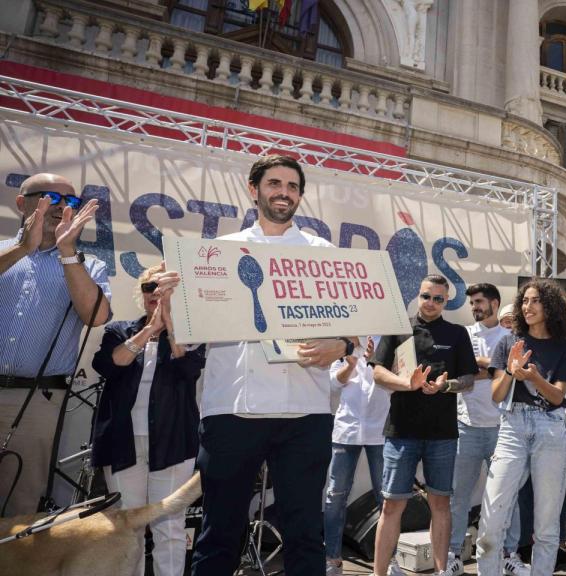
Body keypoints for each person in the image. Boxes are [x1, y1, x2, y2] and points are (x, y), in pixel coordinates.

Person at [157, 155, 350, 575]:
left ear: (300, 195)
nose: (284, 192)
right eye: (275, 183)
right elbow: (186, 340)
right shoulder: (218, 253)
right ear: (253, 189)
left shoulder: (322, 253)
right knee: (220, 531)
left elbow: (356, 324)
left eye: (293, 186)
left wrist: (343, 342)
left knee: (304, 532)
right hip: (231, 410)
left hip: (305, 410)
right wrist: (173, 305)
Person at [0, 173, 112, 516]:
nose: (63, 206)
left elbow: (96, 316)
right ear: (22, 203)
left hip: (36, 401)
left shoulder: (87, 264)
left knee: (20, 503)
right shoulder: (5, 252)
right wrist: (23, 249)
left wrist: (67, 252)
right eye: (51, 197)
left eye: (71, 201)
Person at [90, 264, 205, 576]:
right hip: (123, 442)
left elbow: (189, 370)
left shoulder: (190, 336)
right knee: (127, 525)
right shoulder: (120, 331)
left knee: (170, 525)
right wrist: (148, 332)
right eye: (149, 288)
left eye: (164, 290)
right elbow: (109, 365)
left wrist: (170, 328)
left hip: (172, 442)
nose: (156, 294)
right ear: (140, 295)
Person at [370, 274, 477, 576]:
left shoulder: (457, 334)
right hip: (401, 431)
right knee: (391, 506)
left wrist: (446, 386)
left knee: (440, 504)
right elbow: (377, 373)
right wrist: (406, 383)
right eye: (426, 296)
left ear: (446, 302)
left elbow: (468, 381)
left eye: (438, 299)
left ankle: (442, 572)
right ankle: (378, 573)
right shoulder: (398, 328)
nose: (431, 303)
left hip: (442, 434)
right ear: (418, 295)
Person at [476, 279, 566, 576]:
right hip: (512, 428)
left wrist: (534, 378)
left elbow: (558, 396)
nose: (528, 306)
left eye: (535, 301)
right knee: (491, 522)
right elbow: (496, 394)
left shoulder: (564, 347)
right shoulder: (508, 340)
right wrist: (510, 371)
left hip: (551, 429)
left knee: (546, 527)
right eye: (525, 301)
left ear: (550, 306)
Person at [445, 283, 527, 576]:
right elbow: (461, 372)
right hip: (466, 425)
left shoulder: (511, 338)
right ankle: (453, 555)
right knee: (458, 496)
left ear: (494, 303)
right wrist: (496, 368)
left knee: (508, 496)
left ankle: (508, 554)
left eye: (479, 302)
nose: (475, 307)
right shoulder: (464, 334)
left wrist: (485, 369)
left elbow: (512, 375)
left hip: (503, 428)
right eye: (472, 303)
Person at [325, 336, 391, 575]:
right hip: (346, 430)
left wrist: (375, 362)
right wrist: (350, 365)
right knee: (335, 497)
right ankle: (333, 559)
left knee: (387, 499)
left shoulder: (390, 340)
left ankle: (388, 562)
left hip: (380, 431)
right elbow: (333, 383)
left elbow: (396, 383)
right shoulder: (343, 341)